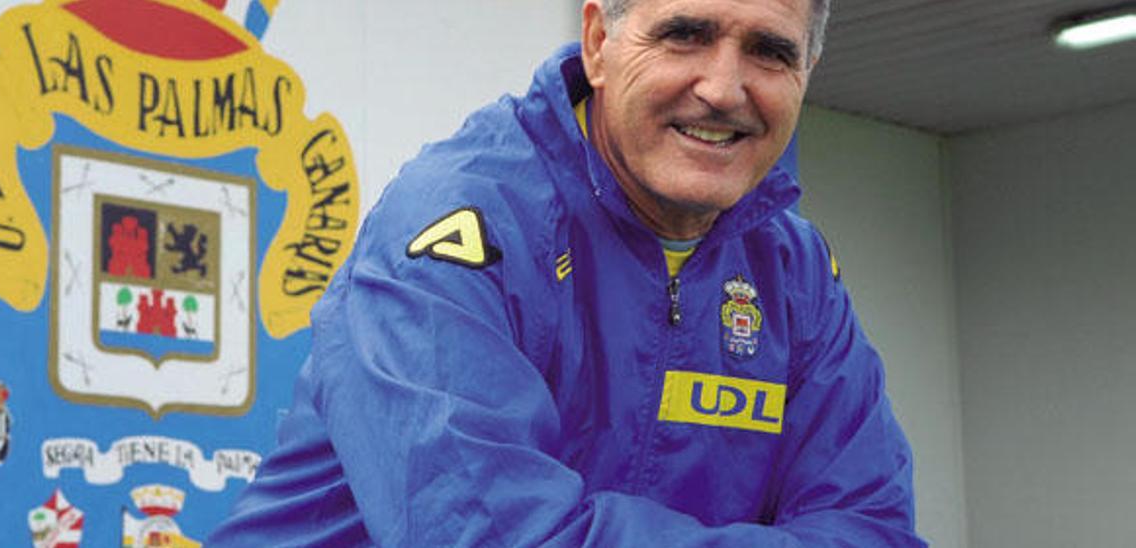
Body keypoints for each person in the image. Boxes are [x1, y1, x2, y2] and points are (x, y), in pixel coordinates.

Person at [210, 0, 925, 545]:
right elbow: (485, 533)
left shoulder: (794, 273)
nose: (723, 87)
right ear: (599, 45)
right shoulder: (463, 223)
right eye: (686, 34)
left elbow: (875, 527)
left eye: (770, 52)